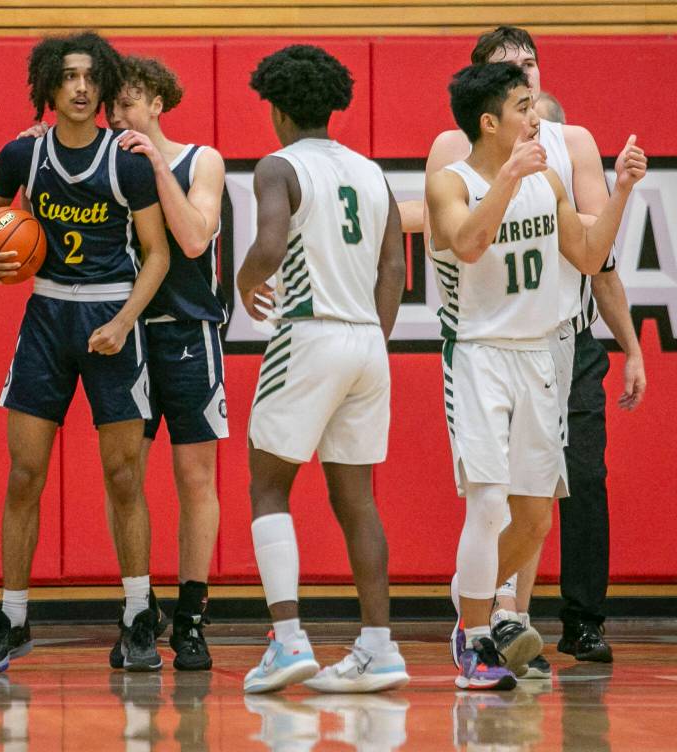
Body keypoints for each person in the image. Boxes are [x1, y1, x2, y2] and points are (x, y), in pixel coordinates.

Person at [414, 26, 647, 675]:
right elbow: (463, 243)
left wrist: (623, 188)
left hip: (547, 355)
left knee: (536, 518)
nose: (533, 97)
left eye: (532, 80)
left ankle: (485, 608)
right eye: (518, 94)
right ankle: (475, 634)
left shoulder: (554, 169)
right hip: (481, 353)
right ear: (490, 112)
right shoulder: (453, 168)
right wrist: (510, 177)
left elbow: (591, 256)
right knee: (490, 502)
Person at [0, 31, 170, 673]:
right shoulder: (22, 157)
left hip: (111, 315)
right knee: (24, 474)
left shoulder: (126, 159)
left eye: (89, 77)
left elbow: (156, 254)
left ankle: (136, 615)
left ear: (102, 87)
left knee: (125, 475)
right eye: (67, 77)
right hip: (47, 314)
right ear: (48, 87)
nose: (79, 87)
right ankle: (12, 618)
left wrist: (127, 320)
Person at [236, 44, 409, 694]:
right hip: (367, 341)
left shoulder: (279, 166)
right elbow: (396, 267)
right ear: (332, 104)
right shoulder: (370, 171)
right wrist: (373, 340)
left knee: (268, 486)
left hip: (308, 334)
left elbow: (270, 245)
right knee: (356, 498)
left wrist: (246, 280)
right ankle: (378, 647)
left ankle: (287, 642)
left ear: (278, 108)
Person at [109, 56, 229, 671]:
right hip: (124, 334)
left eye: (129, 101)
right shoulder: (105, 163)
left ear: (157, 101)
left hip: (187, 330)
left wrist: (156, 160)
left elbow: (192, 239)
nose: (118, 115)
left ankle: (190, 617)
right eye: (113, 106)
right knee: (124, 473)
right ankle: (139, 609)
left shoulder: (199, 159)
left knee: (195, 478)